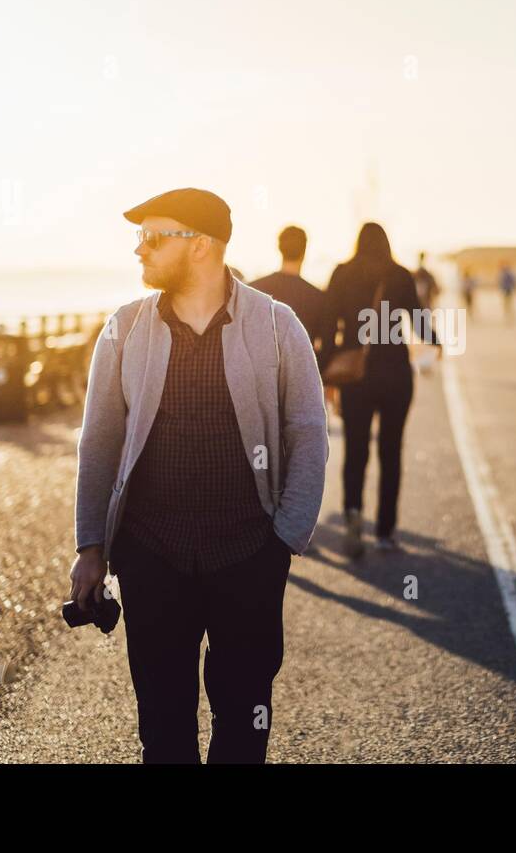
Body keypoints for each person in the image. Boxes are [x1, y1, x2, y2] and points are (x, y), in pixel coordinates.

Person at [70, 187, 328, 764]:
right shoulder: (124, 328)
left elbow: (308, 432)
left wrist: (284, 539)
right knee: (163, 734)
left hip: (248, 557)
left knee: (242, 727)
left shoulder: (276, 326)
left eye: (154, 236)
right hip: (151, 557)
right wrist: (91, 546)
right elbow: (100, 439)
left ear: (202, 246)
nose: (141, 249)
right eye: (138, 237)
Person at [319, 222, 440, 557]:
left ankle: (354, 516)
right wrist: (436, 343)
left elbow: (329, 324)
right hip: (395, 374)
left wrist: (325, 367)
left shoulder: (342, 273)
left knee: (356, 449)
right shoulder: (399, 274)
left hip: (356, 376)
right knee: (391, 451)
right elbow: (417, 319)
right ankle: (386, 532)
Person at [250, 225, 326, 352]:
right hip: (300, 369)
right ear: (304, 251)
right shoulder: (317, 297)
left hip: (258, 369)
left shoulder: (254, 289)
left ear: (280, 248)